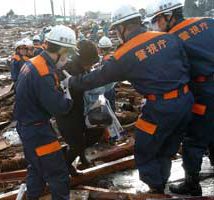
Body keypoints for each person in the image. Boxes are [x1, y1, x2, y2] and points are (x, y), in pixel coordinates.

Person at [68, 4, 194, 194]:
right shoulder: (168, 38)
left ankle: (156, 189)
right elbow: (186, 64)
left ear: (122, 27)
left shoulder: (125, 53)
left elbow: (99, 77)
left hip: (160, 109)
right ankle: (162, 180)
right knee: (168, 146)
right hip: (186, 101)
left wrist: (72, 82)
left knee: (144, 149)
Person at [150, 0, 214, 196]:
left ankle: (192, 183)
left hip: (205, 91)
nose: (157, 25)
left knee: (194, 138)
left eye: (157, 20)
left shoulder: (170, 40)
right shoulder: (208, 21)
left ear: (169, 16)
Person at [14, 25, 77, 200]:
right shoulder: (43, 73)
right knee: (58, 174)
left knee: (36, 167)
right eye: (68, 53)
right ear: (61, 50)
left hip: (26, 126)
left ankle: (33, 197)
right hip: (38, 132)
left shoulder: (33, 62)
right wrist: (68, 94)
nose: (68, 58)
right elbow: (59, 108)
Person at [55, 39, 104, 176]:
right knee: (76, 143)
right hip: (67, 113)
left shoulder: (83, 68)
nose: (90, 67)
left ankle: (81, 157)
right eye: (88, 63)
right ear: (81, 59)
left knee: (94, 133)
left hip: (81, 110)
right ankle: (65, 164)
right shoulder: (68, 69)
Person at [98, 36, 117, 112]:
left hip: (107, 87)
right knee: (112, 105)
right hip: (112, 85)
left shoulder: (105, 60)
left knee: (107, 106)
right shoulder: (112, 56)